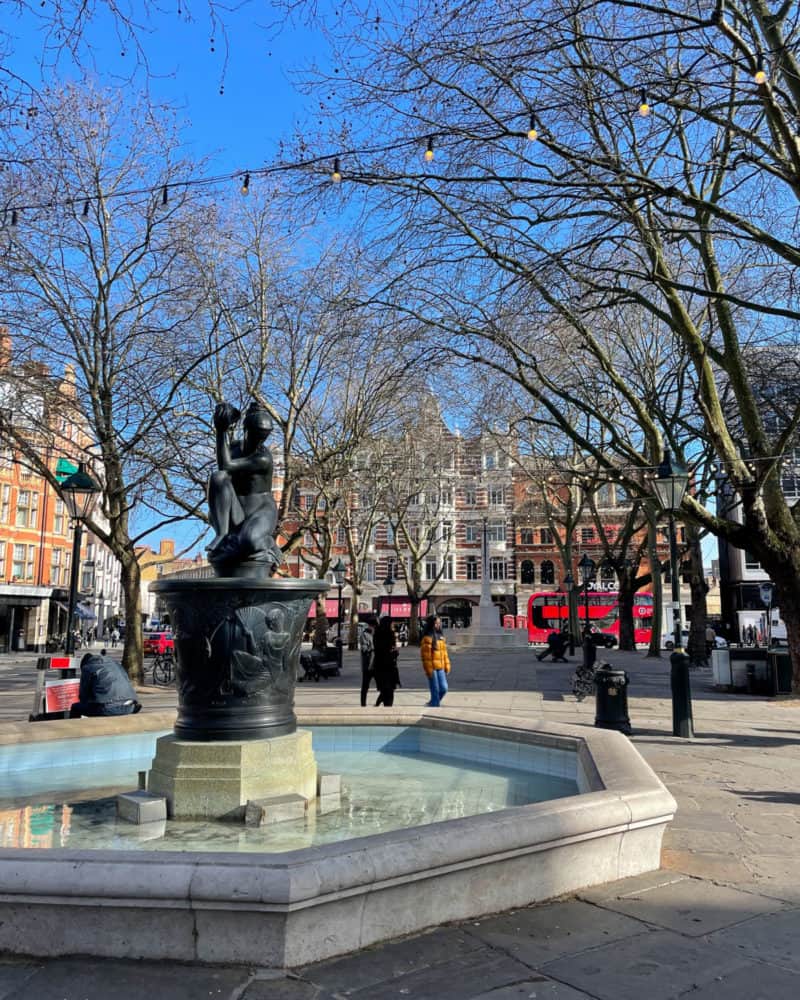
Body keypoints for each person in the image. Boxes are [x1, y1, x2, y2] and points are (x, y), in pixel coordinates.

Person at [206, 400, 283, 574]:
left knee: (249, 541)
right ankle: (222, 534)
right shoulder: (234, 448)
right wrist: (222, 425)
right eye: (258, 434)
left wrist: (221, 431)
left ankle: (269, 545)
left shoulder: (263, 458)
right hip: (237, 509)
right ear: (247, 430)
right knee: (218, 478)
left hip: (261, 511)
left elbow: (227, 465)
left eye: (264, 436)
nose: (261, 440)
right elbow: (221, 470)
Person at [70, 651, 141, 717]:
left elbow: (83, 695)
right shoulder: (115, 664)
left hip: (109, 708)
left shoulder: (87, 667)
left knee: (75, 707)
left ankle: (73, 730)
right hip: (131, 706)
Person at [420, 614, 451, 707]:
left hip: (441, 667)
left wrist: (447, 665)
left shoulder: (441, 636)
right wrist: (428, 670)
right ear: (431, 624)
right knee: (435, 689)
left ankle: (433, 701)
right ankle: (434, 704)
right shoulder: (427, 638)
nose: (438, 625)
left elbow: (445, 653)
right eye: (436, 623)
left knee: (444, 688)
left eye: (439, 623)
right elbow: (426, 657)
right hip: (432, 668)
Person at [373, 617, 400, 707]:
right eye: (392, 624)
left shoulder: (388, 634)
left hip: (389, 667)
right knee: (387, 690)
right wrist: (393, 651)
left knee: (388, 690)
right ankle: (386, 707)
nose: (393, 625)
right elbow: (382, 651)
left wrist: (395, 651)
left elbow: (392, 651)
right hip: (383, 667)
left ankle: (384, 706)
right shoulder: (380, 635)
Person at [359, 617, 377, 707]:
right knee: (365, 686)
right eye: (374, 626)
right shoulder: (364, 635)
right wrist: (373, 648)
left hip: (376, 664)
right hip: (368, 664)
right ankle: (363, 705)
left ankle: (377, 704)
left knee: (384, 686)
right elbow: (364, 649)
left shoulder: (377, 634)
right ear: (371, 626)